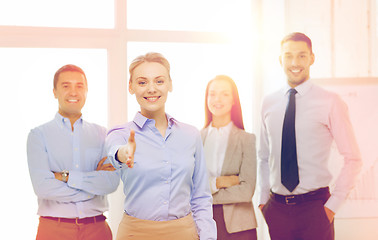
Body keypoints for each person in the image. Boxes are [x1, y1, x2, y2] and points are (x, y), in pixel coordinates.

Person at [257, 32, 362, 240]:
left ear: (312, 58)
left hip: (316, 210)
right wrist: (263, 202)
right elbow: (263, 156)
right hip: (277, 210)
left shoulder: (330, 102)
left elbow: (353, 159)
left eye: (302, 55)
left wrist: (332, 207)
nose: (295, 62)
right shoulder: (268, 103)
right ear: (280, 60)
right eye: (288, 56)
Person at [105, 52, 217, 240]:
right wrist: (123, 153)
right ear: (130, 87)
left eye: (159, 81)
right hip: (135, 233)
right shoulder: (121, 134)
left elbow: (201, 197)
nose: (151, 89)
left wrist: (208, 237)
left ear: (170, 84)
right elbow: (114, 152)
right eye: (142, 82)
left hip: (184, 233)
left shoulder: (190, 135)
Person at [27, 64, 120, 240]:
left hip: (97, 229)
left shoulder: (102, 134)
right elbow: (43, 187)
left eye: (79, 86)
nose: (73, 92)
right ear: (54, 92)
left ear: (86, 91)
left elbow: (110, 183)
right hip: (53, 229)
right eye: (66, 86)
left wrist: (64, 176)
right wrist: (92, 188)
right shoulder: (38, 135)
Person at [201, 75, 258, 239]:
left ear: (234, 100)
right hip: (203, 223)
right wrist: (219, 182)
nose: (217, 99)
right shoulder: (195, 139)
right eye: (212, 94)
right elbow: (189, 187)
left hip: (239, 227)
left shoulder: (246, 139)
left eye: (225, 94)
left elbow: (246, 191)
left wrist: (207, 192)